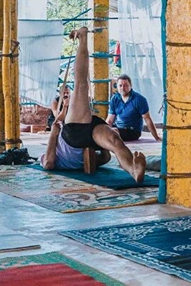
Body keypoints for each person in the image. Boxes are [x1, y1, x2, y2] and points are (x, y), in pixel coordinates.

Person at [41, 27, 146, 183]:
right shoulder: (71, 163)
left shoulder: (51, 159)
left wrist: (54, 133)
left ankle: (134, 170)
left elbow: (47, 162)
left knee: (115, 141)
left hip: (76, 134)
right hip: (81, 135)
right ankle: (83, 37)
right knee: (81, 85)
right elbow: (105, 158)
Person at [106, 74, 161, 142]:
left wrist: (156, 137)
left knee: (113, 132)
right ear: (117, 86)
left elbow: (147, 119)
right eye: (120, 85)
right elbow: (110, 120)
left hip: (133, 131)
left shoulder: (139, 99)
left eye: (126, 85)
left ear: (131, 86)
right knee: (101, 128)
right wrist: (104, 129)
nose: (123, 88)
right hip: (118, 128)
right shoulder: (114, 99)